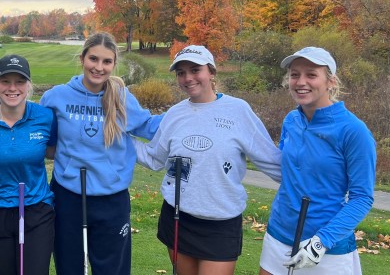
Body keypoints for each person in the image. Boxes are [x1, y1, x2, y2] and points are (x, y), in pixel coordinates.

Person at [134, 44, 282, 275]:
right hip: (178, 216)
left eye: (195, 70)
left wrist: (317, 176)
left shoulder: (238, 110)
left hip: (221, 222)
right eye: (181, 73)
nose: (188, 78)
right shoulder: (175, 114)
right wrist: (118, 139)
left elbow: (273, 162)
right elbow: (154, 158)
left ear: (211, 72)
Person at [39, 32, 164, 275]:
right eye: (93, 59)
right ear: (82, 58)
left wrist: (192, 113)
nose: (99, 67)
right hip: (68, 195)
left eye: (106, 61)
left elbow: (150, 127)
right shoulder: (56, 96)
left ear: (114, 64)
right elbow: (41, 136)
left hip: (111, 199)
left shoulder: (122, 98)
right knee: (69, 267)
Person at [259, 47, 376, 275]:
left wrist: (321, 242)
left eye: (311, 74)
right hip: (279, 233)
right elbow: (288, 171)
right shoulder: (292, 120)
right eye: (295, 74)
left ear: (330, 81)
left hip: (326, 245)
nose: (301, 81)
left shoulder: (354, 131)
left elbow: (362, 198)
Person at [0, 54, 57, 274]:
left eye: (19, 81)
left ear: (28, 85)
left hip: (36, 209)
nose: (12, 88)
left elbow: (54, 151)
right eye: (5, 81)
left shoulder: (46, 117)